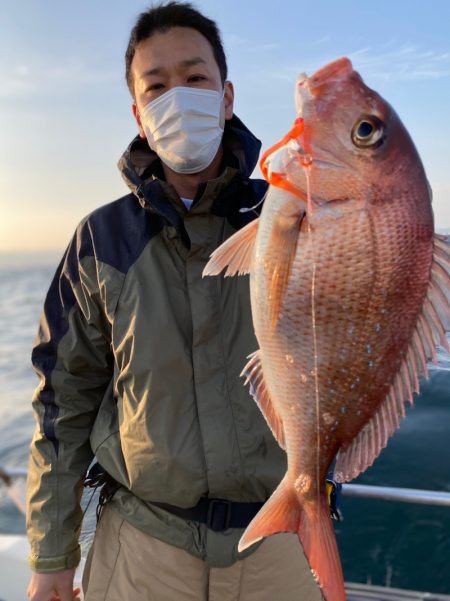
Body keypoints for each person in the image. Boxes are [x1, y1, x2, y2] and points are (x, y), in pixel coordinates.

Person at [26, 3, 323, 600]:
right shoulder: (99, 241)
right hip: (143, 543)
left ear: (227, 95)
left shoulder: (295, 218)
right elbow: (64, 402)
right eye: (156, 86)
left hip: (282, 536)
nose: (178, 97)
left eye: (195, 78)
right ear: (139, 113)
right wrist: (51, 554)